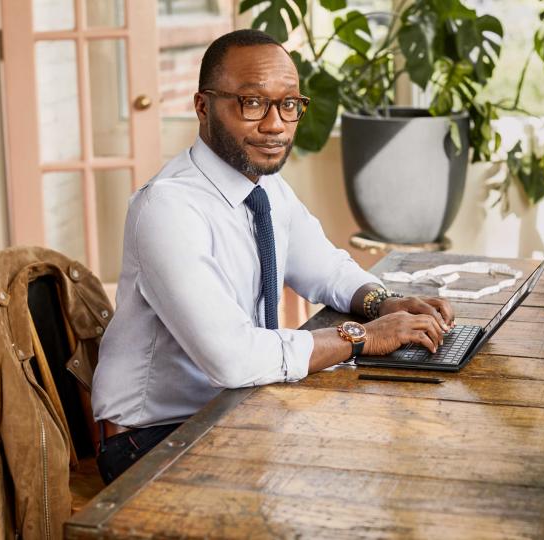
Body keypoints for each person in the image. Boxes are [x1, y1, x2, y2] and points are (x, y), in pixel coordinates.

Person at [91, 29, 455, 484]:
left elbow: (326, 267)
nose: (275, 124)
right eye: (252, 103)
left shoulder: (264, 188)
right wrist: (363, 335)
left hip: (236, 408)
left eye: (289, 104)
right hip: (154, 439)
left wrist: (382, 302)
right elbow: (233, 359)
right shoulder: (167, 209)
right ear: (203, 106)